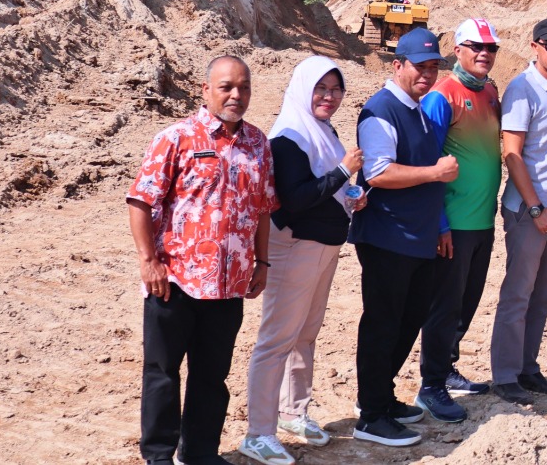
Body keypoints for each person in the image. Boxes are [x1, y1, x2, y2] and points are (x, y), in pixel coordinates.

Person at [127, 55, 277, 465]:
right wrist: (148, 261)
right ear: (206, 90)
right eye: (226, 87)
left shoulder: (258, 143)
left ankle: (199, 453)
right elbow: (141, 201)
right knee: (162, 373)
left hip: (229, 284)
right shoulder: (176, 138)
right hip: (175, 280)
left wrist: (262, 263)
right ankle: (159, 456)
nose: (236, 95)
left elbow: (263, 208)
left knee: (212, 376)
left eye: (244, 87)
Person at [238, 57, 364, 465]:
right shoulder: (289, 137)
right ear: (302, 89)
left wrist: (351, 196)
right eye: (320, 88)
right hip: (295, 246)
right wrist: (343, 172)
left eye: (335, 89)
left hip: (323, 245)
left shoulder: (323, 130)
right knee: (277, 339)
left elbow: (325, 188)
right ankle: (258, 433)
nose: (329, 96)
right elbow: (295, 199)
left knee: (306, 333)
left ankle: (293, 412)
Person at [349, 29, 457, 449]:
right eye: (420, 66)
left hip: (417, 237)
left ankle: (382, 397)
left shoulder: (417, 109)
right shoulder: (381, 110)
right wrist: (434, 173)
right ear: (397, 65)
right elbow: (377, 172)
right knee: (382, 324)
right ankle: (371, 414)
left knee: (408, 321)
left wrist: (438, 226)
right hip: (387, 237)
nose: (427, 75)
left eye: (433, 67)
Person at [488, 17, 547, 404]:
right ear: (535, 47)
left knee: (542, 296)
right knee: (518, 294)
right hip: (530, 211)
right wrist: (535, 208)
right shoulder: (522, 88)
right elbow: (512, 154)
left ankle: (528, 368)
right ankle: (505, 375)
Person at [415, 18, 505, 422]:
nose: (484, 54)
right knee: (444, 306)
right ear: (458, 50)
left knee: (466, 302)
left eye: (491, 48)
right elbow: (429, 163)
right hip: (453, 224)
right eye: (476, 47)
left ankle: (447, 369)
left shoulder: (489, 92)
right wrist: (439, 224)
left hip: (482, 220)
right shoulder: (442, 96)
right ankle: (431, 385)